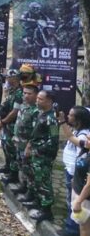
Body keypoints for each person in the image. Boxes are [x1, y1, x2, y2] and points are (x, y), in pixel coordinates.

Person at [24, 90, 59, 222]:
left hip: (43, 156)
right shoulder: (41, 114)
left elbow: (54, 140)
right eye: (37, 98)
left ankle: (46, 210)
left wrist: (38, 150)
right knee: (37, 180)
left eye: (41, 99)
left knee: (44, 182)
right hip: (36, 154)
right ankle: (38, 202)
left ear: (49, 101)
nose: (37, 101)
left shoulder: (51, 118)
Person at [60, 106, 90, 234]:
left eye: (71, 115)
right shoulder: (84, 141)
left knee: (83, 223)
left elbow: (89, 184)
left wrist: (78, 201)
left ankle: (71, 231)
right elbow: (71, 137)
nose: (68, 116)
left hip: (82, 191)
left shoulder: (84, 138)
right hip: (76, 183)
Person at [10, 83, 40, 204]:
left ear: (36, 95)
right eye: (24, 93)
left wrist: (29, 146)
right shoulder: (23, 106)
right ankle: (24, 186)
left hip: (28, 145)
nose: (26, 96)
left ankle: (31, 193)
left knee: (29, 169)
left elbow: (35, 132)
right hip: (19, 142)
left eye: (29, 93)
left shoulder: (36, 111)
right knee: (21, 165)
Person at [0, 69, 23, 185]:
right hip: (6, 124)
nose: (6, 79)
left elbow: (15, 111)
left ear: (15, 79)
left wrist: (3, 121)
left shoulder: (19, 93)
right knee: (5, 145)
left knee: (12, 149)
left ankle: (13, 175)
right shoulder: (11, 90)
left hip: (12, 125)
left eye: (9, 77)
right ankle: (7, 167)